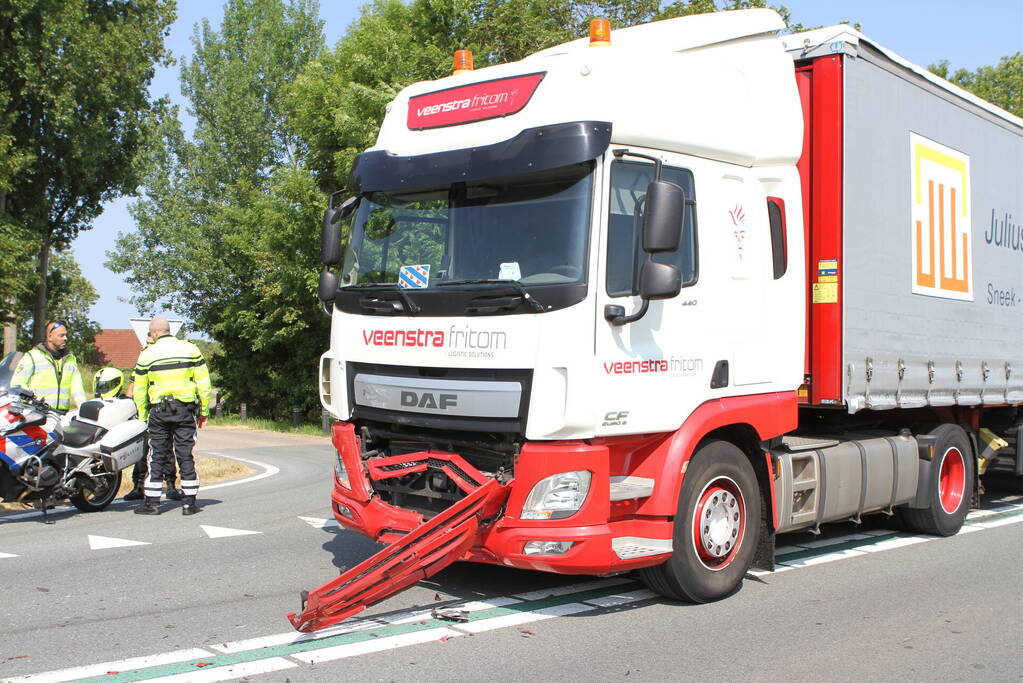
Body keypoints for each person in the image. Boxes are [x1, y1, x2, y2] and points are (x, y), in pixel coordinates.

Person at [131, 317, 211, 516]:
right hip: (184, 410)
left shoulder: (147, 354)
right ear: (169, 330)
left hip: (158, 411)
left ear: (155, 333)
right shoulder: (190, 349)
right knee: (185, 454)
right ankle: (189, 504)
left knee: (157, 455)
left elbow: (140, 389)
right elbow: (204, 382)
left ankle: (152, 504)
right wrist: (204, 411)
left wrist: (142, 415)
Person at [10, 321, 86, 412]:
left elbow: (77, 388)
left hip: (62, 414)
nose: (65, 338)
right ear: (50, 337)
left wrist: (84, 410)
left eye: (66, 335)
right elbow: (17, 384)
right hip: (38, 413)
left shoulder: (70, 359)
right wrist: (30, 403)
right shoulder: (32, 356)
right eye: (61, 335)